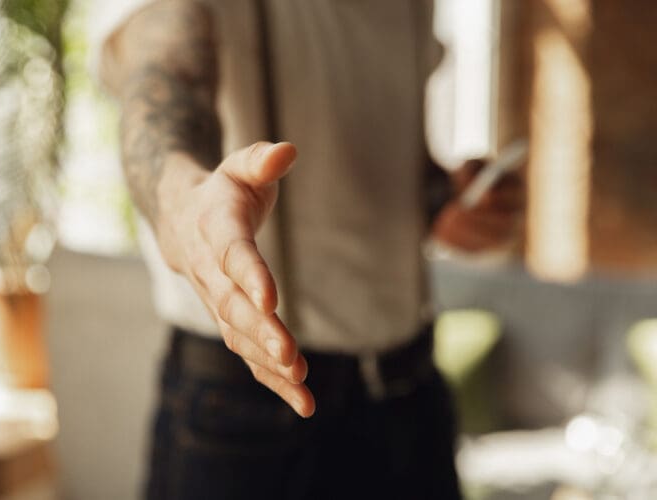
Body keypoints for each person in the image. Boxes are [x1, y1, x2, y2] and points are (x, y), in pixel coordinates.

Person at [99, 0, 523, 498]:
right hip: (246, 411)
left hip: (410, 394)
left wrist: (449, 201)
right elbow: (165, 75)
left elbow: (385, 153)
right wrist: (181, 200)